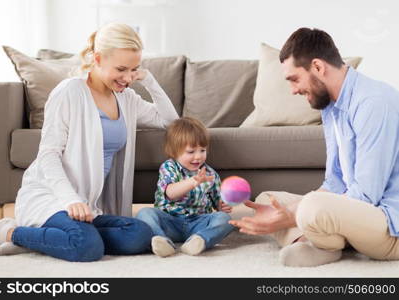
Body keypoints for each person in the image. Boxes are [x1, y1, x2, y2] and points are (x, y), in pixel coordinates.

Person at [0, 22, 179, 261]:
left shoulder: (126, 98)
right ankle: (9, 233)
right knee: (87, 247)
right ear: (97, 58)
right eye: (121, 69)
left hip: (87, 205)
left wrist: (148, 80)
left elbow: (170, 121)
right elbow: (48, 154)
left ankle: (47, 238)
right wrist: (70, 199)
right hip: (52, 196)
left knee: (139, 233)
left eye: (134, 69)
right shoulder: (70, 92)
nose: (128, 78)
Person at [230, 27, 399, 267]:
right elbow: (335, 183)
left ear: (318, 67)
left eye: (294, 79)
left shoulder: (373, 103)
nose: (293, 90)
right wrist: (285, 212)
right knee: (269, 199)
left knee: (309, 208)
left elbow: (366, 195)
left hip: (389, 225)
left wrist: (290, 216)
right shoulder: (330, 107)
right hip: (358, 213)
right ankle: (319, 243)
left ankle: (316, 238)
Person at [136, 117, 234, 257]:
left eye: (202, 150)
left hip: (197, 223)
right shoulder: (169, 167)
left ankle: (199, 240)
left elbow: (217, 204)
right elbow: (170, 193)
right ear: (174, 151)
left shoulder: (211, 174)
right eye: (191, 152)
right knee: (144, 213)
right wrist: (193, 182)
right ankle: (162, 241)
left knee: (225, 219)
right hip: (170, 222)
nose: (198, 156)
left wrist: (222, 206)